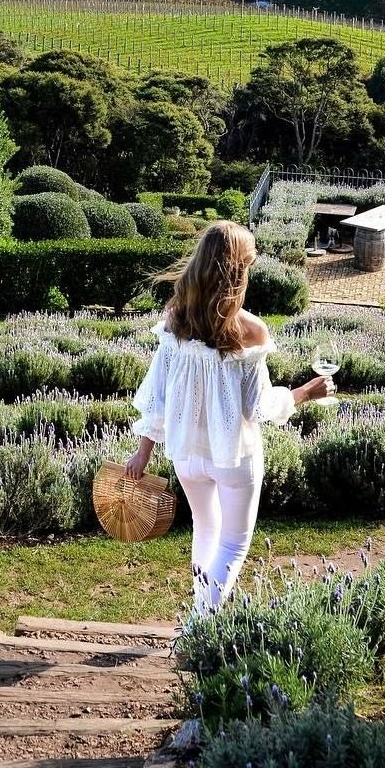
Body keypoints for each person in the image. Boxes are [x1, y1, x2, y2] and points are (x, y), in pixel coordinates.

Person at [124, 220, 331, 614]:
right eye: (248, 265)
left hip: (187, 454)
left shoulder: (175, 318)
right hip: (236, 456)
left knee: (206, 531)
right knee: (234, 542)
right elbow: (259, 405)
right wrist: (306, 392)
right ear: (237, 270)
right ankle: (200, 627)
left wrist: (143, 452)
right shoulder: (249, 329)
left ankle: (201, 619)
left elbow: (157, 393)